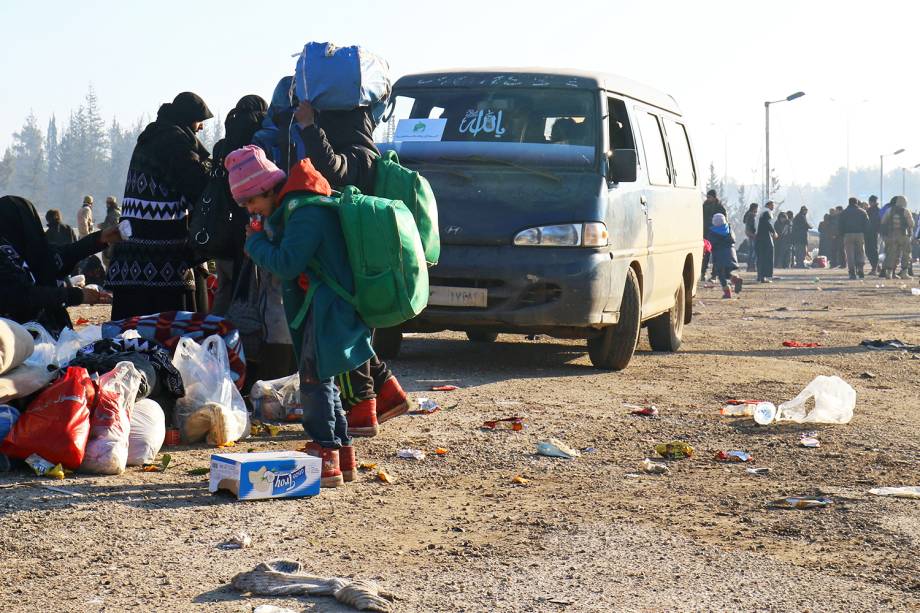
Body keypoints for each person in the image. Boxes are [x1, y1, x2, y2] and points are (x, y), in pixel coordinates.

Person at [230, 145, 373, 488]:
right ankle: (342, 454)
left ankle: (325, 453)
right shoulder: (295, 207)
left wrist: (254, 243)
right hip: (325, 303)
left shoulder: (305, 210)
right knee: (322, 377)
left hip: (329, 305)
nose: (252, 209)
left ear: (267, 189)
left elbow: (287, 263)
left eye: (252, 201)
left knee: (313, 379)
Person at [294, 99, 410, 437]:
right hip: (360, 259)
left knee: (343, 338)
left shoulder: (359, 155)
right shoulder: (366, 149)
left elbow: (333, 170)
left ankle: (363, 409)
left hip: (350, 264)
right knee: (353, 332)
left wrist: (310, 129)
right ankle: (388, 392)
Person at [105, 92, 213, 320]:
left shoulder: (152, 136)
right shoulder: (174, 142)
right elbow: (197, 186)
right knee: (168, 334)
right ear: (187, 118)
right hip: (161, 260)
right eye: (198, 120)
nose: (201, 127)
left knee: (132, 334)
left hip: (132, 258)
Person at [0, 196, 121, 334]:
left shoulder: (32, 251)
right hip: (13, 340)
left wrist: (99, 239)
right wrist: (75, 295)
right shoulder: (5, 256)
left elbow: (62, 255)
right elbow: (21, 296)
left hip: (45, 335)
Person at [210, 94, 269, 316]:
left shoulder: (221, 147)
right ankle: (242, 340)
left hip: (221, 226)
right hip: (249, 223)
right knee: (247, 289)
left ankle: (214, 339)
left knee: (224, 289)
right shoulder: (259, 142)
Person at [706, 213, 743, 299]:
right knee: (726, 273)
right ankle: (736, 280)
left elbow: (711, 245)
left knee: (721, 276)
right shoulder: (729, 229)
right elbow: (733, 240)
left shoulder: (712, 233)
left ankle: (727, 293)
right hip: (731, 255)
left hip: (720, 256)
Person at [880, 196, 915, 279]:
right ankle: (904, 272)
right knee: (906, 253)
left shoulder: (889, 210)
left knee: (891, 254)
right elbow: (911, 224)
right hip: (903, 235)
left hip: (891, 235)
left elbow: (883, 222)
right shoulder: (906, 211)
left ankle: (889, 273)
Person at [840, 197, 869, 279]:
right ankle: (860, 270)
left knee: (850, 254)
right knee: (860, 252)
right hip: (860, 234)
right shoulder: (862, 212)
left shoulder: (844, 212)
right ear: (857, 203)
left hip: (848, 234)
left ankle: (852, 272)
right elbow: (867, 224)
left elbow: (840, 225)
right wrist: (865, 233)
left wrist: (842, 234)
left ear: (849, 203)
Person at [701, 190, 726, 281]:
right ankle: (703, 273)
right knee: (705, 255)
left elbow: (724, 220)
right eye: (707, 197)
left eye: (709, 197)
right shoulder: (704, 206)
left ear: (714, 197)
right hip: (706, 234)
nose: (708, 199)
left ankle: (714, 275)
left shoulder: (720, 207)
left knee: (716, 256)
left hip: (716, 234)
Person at [755, 201, 778, 282]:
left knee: (761, 258)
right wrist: (773, 231)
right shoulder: (766, 213)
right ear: (768, 205)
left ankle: (760, 276)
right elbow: (767, 224)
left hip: (760, 238)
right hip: (765, 239)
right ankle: (764, 276)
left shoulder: (762, 213)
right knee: (766, 257)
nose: (773, 207)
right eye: (772, 205)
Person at [98, 196, 121, 268]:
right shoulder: (117, 212)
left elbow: (110, 226)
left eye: (108, 203)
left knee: (109, 262)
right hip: (116, 240)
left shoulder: (112, 213)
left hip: (111, 241)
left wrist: (101, 226)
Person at [865, 195, 881, 274]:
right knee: (873, 250)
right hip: (874, 232)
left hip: (871, 233)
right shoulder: (878, 210)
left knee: (870, 251)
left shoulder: (870, 210)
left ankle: (874, 268)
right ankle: (876, 267)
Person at [743, 202, 759, 272]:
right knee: (754, 252)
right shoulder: (751, 215)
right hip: (752, 235)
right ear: (754, 208)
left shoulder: (748, 215)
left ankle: (749, 267)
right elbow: (753, 226)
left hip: (749, 234)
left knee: (751, 251)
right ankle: (752, 266)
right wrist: (755, 234)